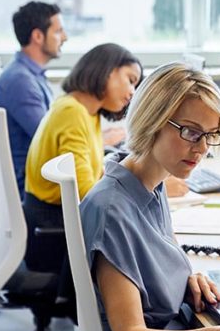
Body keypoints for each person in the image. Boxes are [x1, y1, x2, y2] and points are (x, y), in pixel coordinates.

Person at [81, 63, 220, 331]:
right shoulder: (112, 210)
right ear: (151, 121)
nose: (202, 148)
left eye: (210, 135)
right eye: (191, 132)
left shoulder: (151, 183)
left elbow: (157, 255)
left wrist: (187, 276)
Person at [23, 43, 142, 274]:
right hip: (52, 234)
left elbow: (94, 177)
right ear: (107, 70)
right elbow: (87, 192)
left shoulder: (86, 111)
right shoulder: (73, 112)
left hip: (60, 224)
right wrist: (141, 188)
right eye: (130, 80)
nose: (132, 92)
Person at [0, 1, 67, 195]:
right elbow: (50, 139)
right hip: (32, 187)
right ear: (37, 36)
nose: (65, 37)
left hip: (35, 177)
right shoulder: (21, 81)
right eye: (59, 31)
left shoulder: (28, 75)